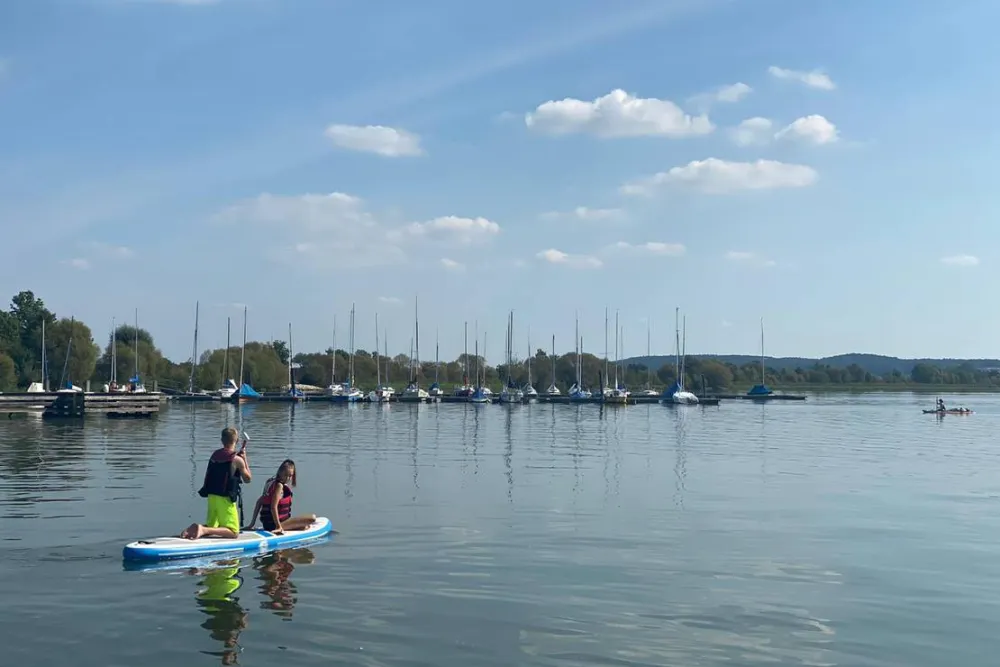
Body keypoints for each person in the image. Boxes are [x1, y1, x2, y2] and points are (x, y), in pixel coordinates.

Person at [181, 427, 252, 540]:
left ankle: (196, 529)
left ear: (222, 440)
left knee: (213, 526)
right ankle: (203, 529)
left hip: (212, 496)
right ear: (237, 440)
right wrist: (244, 459)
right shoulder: (237, 460)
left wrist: (239, 458)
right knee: (234, 532)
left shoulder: (215, 455)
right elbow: (248, 479)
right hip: (225, 499)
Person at [243, 459, 315, 535]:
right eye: (285, 475)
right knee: (312, 518)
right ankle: (281, 527)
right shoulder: (279, 486)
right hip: (276, 524)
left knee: (304, 527)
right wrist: (278, 527)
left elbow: (259, 502)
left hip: (267, 524)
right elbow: (273, 507)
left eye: (290, 476)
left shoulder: (270, 482)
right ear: (280, 473)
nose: (287, 478)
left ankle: (288, 527)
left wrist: (251, 524)